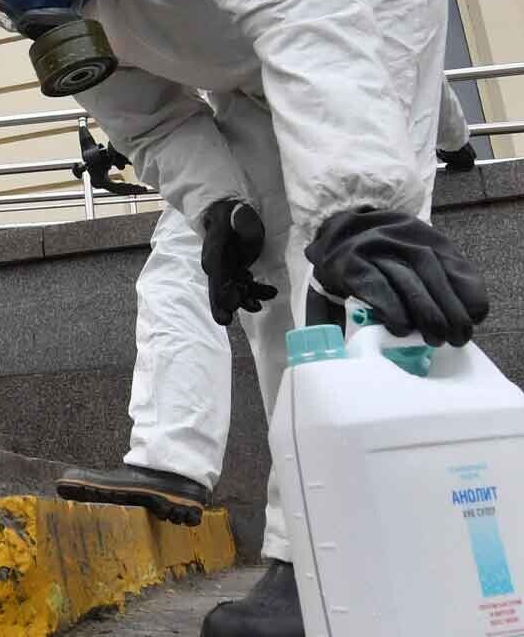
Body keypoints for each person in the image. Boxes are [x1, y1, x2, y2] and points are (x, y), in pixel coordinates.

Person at [0, 0, 489, 636]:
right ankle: (310, 565)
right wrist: (219, 210)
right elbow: (153, 131)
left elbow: (302, 16)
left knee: (348, 268)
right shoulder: (68, 23)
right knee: (274, 300)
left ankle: (339, 570)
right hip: (246, 74)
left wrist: (361, 206)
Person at [56, 85, 480, 530]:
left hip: (320, 144)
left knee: (294, 322)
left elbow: (408, 52)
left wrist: (453, 136)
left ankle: (287, 528)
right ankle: (172, 462)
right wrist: (456, 140)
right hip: (238, 149)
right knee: (187, 279)